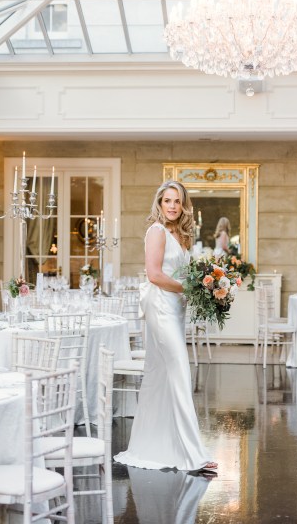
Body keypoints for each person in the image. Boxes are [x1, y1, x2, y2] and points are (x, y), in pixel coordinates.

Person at [114, 180, 217, 472]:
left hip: (175, 310)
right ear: (159, 204)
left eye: (177, 201)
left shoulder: (181, 235)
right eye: (167, 201)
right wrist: (190, 288)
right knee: (180, 373)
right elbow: (154, 275)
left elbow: (181, 271)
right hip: (161, 309)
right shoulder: (156, 231)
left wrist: (204, 284)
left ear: (184, 206)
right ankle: (193, 454)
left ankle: (155, 447)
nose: (172, 206)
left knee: (160, 377)